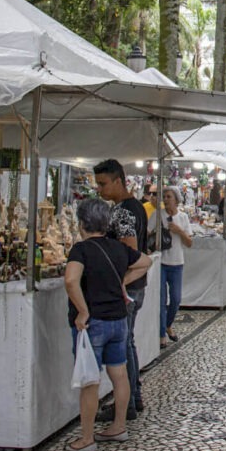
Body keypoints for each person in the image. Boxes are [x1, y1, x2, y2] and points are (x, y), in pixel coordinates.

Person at [63, 198, 152, 451]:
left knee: (90, 380)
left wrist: (82, 311)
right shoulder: (117, 248)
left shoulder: (81, 250)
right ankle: (119, 426)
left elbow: (71, 280)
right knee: (119, 374)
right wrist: (123, 282)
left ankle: (87, 438)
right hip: (118, 321)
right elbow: (146, 262)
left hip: (94, 324)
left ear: (81, 224)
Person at [93, 159, 148, 419]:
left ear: (118, 181)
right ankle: (133, 397)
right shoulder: (135, 206)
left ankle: (125, 404)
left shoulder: (124, 211)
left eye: (103, 184)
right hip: (133, 285)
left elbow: (129, 249)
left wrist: (119, 282)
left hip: (126, 287)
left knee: (123, 345)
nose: (100, 190)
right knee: (128, 341)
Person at [148, 186, 192, 349]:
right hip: (160, 263)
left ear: (176, 200)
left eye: (168, 197)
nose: (165, 200)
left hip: (177, 263)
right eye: (164, 197)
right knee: (161, 300)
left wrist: (179, 231)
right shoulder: (158, 215)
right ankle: (161, 334)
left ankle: (167, 325)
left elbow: (189, 243)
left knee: (175, 299)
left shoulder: (183, 217)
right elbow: (146, 232)